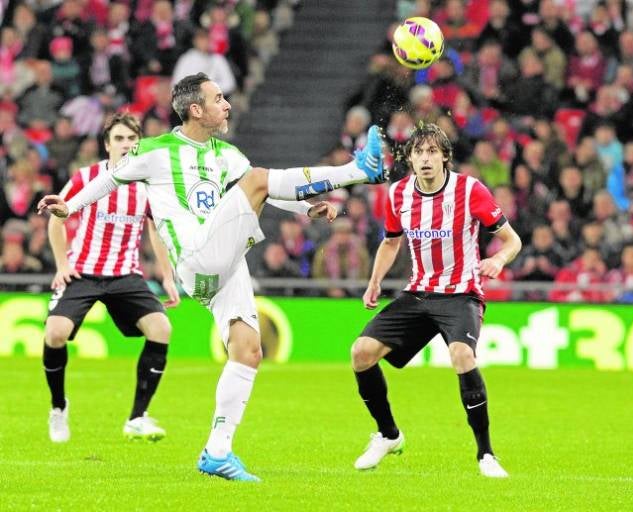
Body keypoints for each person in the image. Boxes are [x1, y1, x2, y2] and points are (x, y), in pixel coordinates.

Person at [37, 72, 387, 482]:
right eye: (218, 98)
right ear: (195, 109)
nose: (227, 105)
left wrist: (307, 209)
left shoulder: (227, 155)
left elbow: (268, 191)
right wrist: (71, 206)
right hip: (197, 256)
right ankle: (358, 170)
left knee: (248, 349)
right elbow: (108, 179)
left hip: (223, 262)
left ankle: (217, 451)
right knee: (257, 178)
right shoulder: (155, 150)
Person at [349, 123, 522, 478]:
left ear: (445, 156)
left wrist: (498, 260)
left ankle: (486, 454)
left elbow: (512, 240)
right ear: (409, 158)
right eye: (418, 152)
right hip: (418, 293)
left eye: (432, 152)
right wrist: (374, 282)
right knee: (361, 353)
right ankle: (388, 434)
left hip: (461, 294)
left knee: (462, 355)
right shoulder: (398, 194)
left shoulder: (470, 190)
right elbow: (391, 241)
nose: (425, 159)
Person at [43, 113, 180, 444]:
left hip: (125, 275)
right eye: (119, 139)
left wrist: (167, 275)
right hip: (84, 271)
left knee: (161, 329)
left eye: (132, 139)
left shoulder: (148, 187)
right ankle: (59, 407)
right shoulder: (87, 176)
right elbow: (56, 218)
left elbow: (156, 229)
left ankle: (137, 418)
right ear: (107, 145)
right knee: (55, 334)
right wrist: (62, 265)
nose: (126, 144)